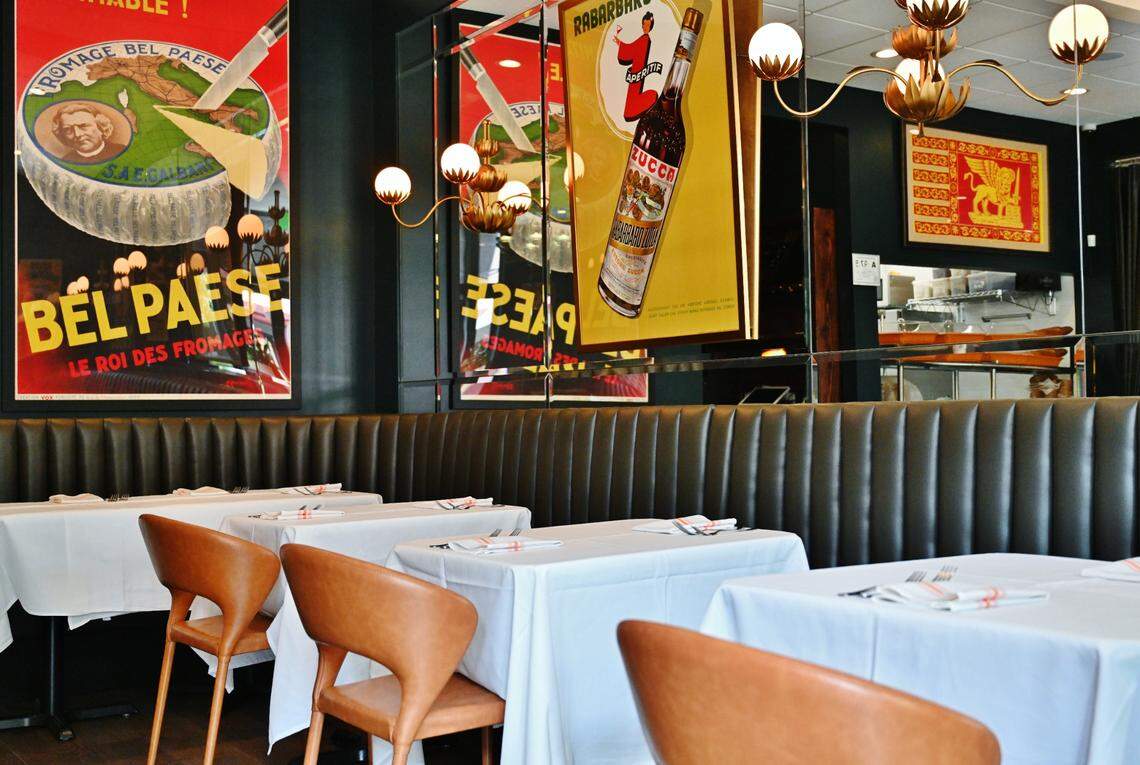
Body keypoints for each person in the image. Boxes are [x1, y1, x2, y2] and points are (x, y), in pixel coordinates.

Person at [614, 12, 659, 121]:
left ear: (651, 26)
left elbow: (629, 50)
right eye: (644, 24)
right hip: (635, 75)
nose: (645, 27)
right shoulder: (643, 39)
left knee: (651, 95)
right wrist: (620, 43)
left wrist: (620, 43)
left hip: (637, 76)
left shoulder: (645, 39)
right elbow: (630, 50)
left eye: (648, 25)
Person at [51, 103, 126, 164]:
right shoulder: (65, 162)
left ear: (101, 127)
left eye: (83, 126)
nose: (77, 134)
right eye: (68, 129)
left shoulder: (122, 152)